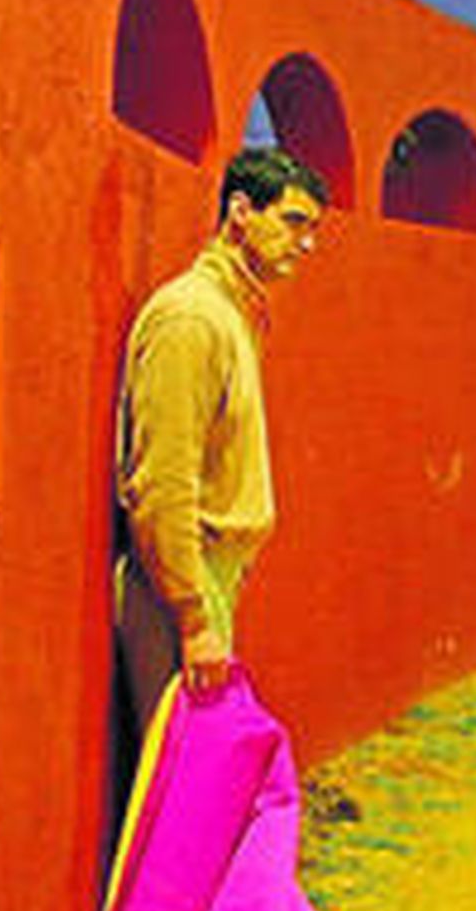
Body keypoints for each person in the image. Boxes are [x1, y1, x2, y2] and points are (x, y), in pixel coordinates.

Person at [114, 146, 327, 730]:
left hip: (210, 577)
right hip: (181, 582)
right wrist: (192, 616)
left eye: (313, 230)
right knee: (177, 781)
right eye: (292, 222)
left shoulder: (230, 315)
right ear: (240, 212)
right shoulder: (193, 318)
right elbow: (162, 482)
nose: (306, 244)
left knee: (196, 777)